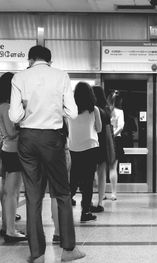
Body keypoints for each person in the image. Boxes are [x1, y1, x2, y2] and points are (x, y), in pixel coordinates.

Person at [9, 45, 85, 262]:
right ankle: (68, 250)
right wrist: (53, 107)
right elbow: (72, 112)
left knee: (33, 197)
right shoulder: (61, 76)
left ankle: (37, 253)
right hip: (52, 139)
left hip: (27, 139)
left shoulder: (20, 77)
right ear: (50, 61)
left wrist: (28, 109)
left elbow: (14, 116)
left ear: (30, 60)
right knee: (61, 193)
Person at [68, 82, 102, 222]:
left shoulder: (70, 110)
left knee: (74, 178)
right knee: (88, 181)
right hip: (90, 147)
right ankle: (85, 212)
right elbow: (99, 129)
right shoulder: (94, 110)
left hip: (74, 147)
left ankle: (65, 207)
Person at [0, 72, 27, 243]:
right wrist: (23, 124)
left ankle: (6, 226)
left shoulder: (2, 105)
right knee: (12, 192)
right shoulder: (6, 107)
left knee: (7, 191)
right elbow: (11, 132)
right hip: (14, 151)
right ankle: (11, 230)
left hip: (6, 150)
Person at [91, 85, 111, 212]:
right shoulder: (105, 111)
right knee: (102, 173)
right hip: (102, 144)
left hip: (91, 144)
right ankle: (100, 202)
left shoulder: (91, 110)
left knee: (90, 173)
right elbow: (108, 132)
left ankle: (89, 200)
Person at [107, 90, 124, 201]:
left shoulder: (103, 110)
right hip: (115, 140)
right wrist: (113, 135)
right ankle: (113, 193)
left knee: (101, 168)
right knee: (113, 168)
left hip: (103, 139)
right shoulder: (119, 112)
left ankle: (102, 193)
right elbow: (121, 126)